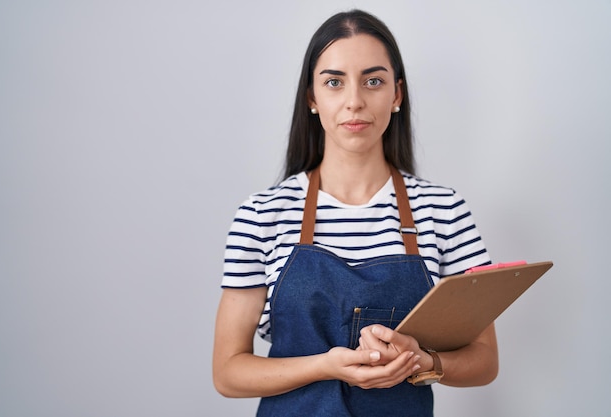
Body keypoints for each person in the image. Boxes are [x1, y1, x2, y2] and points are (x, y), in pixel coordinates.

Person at [213, 9, 499, 417]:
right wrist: (326, 366)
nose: (354, 101)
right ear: (312, 97)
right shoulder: (261, 215)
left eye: (374, 81)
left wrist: (422, 362)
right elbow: (227, 372)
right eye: (334, 82)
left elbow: (485, 360)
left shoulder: (444, 210)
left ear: (396, 95)